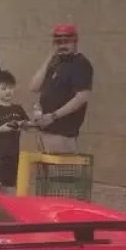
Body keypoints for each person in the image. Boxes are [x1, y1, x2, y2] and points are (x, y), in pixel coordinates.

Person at [30, 24, 94, 153]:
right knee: (43, 172)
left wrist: (53, 116)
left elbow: (82, 97)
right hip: (44, 131)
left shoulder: (80, 64)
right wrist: (49, 58)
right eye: (58, 42)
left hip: (62, 133)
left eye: (66, 42)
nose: (62, 46)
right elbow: (34, 87)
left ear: (75, 42)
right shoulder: (55, 62)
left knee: (60, 173)